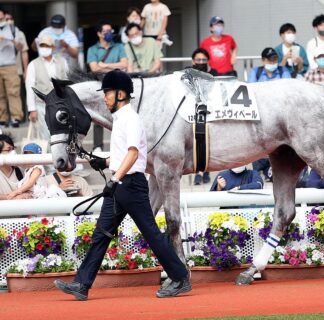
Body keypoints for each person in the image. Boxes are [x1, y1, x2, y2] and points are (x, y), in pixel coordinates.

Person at [54, 69, 191, 300]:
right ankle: (82, 284)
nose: (104, 97)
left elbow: (133, 153)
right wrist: (104, 161)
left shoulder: (131, 118)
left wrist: (115, 178)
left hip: (130, 184)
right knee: (102, 233)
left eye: (107, 93)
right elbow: (122, 155)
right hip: (121, 184)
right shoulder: (120, 119)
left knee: (151, 233)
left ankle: (179, 277)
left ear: (120, 94)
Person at [87, 20, 128, 152]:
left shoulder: (119, 47)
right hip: (101, 86)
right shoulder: (92, 49)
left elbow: (125, 64)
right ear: (99, 33)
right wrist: (114, 67)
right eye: (106, 31)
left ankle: (122, 145)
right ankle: (97, 146)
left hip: (119, 85)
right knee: (99, 116)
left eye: (110, 31)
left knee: (121, 115)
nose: (109, 34)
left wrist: (104, 66)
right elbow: (94, 69)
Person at [26, 35, 69, 141]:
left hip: (61, 104)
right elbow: (29, 87)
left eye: (47, 45)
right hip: (41, 106)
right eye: (42, 45)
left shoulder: (62, 62)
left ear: (53, 47)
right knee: (45, 136)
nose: (44, 48)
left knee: (61, 136)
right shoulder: (33, 64)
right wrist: (32, 109)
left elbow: (68, 83)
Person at [190, 47, 217, 186]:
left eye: (204, 60)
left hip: (211, 113)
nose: (201, 62)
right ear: (193, 61)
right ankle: (198, 172)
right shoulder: (187, 74)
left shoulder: (214, 74)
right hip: (192, 114)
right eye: (198, 60)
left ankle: (205, 171)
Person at [0, 8, 24, 128]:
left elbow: (21, 47)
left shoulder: (14, 30)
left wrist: (10, 38)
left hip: (10, 65)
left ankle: (16, 118)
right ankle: (2, 119)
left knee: (13, 92)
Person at [5, 11, 29, 119]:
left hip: (16, 68)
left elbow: (24, 52)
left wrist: (25, 70)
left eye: (10, 18)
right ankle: (4, 119)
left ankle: (18, 118)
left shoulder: (19, 34)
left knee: (17, 94)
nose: (9, 21)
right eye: (6, 19)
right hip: (2, 67)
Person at [0, 134, 26, 200]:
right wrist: (11, 197)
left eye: (13, 149)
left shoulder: (19, 170)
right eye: (8, 150)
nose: (13, 153)